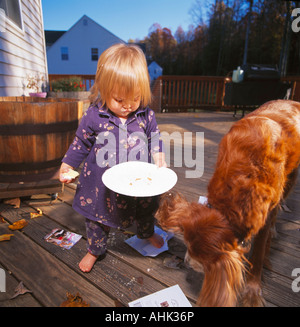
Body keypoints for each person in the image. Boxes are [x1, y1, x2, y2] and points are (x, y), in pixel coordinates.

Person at [59, 43, 167, 272]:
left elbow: (155, 137)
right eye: (119, 100)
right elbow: (80, 142)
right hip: (101, 183)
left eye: (135, 99)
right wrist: (67, 165)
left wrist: (158, 154)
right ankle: (94, 249)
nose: (128, 106)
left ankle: (146, 234)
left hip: (138, 179)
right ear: (105, 90)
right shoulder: (93, 115)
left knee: (146, 208)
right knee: (97, 217)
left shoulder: (146, 114)